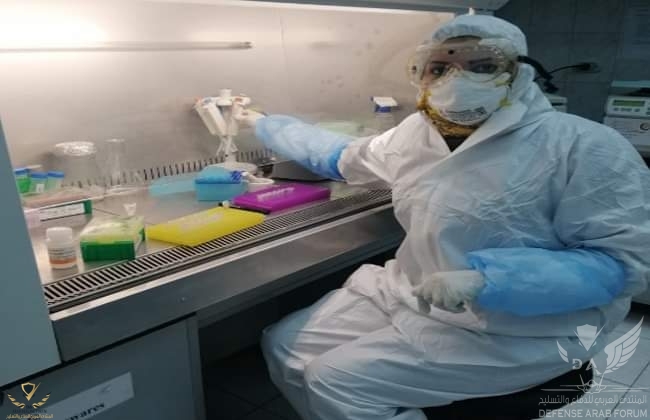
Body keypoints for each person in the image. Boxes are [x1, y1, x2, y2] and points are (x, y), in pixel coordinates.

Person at [238, 14, 650, 420]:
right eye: (439, 68)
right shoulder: (414, 134)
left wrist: (489, 281)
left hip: (525, 328)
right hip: (410, 291)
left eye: (482, 66)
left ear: (520, 73)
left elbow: (622, 264)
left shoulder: (584, 145)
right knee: (284, 345)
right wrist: (264, 123)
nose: (457, 80)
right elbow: (341, 156)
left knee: (336, 382)